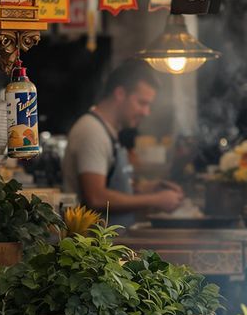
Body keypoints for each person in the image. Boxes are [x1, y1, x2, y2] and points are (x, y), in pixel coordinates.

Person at [61, 60, 183, 228]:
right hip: (93, 248)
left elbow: (111, 185)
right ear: (120, 94)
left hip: (110, 246)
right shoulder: (92, 131)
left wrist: (148, 188)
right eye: (142, 103)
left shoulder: (107, 131)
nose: (146, 112)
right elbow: (96, 196)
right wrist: (156, 200)